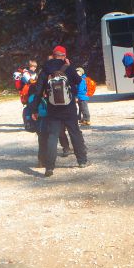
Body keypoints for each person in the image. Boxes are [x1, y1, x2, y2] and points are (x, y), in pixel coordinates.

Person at [29, 45, 87, 177]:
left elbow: (38, 91)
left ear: (53, 55)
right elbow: (78, 80)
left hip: (53, 109)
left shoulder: (45, 70)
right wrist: (69, 66)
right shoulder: (67, 67)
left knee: (52, 136)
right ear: (64, 56)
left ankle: (49, 167)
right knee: (74, 132)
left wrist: (34, 109)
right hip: (69, 107)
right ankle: (82, 161)